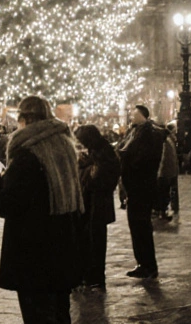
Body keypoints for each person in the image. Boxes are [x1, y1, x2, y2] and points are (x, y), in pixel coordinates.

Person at [0, 96, 83, 324]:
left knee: (37, 314)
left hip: (33, 250)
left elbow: (9, 204)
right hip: (62, 242)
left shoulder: (27, 153)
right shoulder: (64, 145)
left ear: (25, 120)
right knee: (59, 311)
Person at [119, 104, 163, 278]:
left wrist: (126, 159)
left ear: (142, 115)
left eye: (134, 113)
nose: (131, 115)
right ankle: (142, 262)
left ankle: (148, 265)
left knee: (141, 225)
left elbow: (144, 159)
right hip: (134, 185)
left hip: (142, 186)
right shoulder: (134, 131)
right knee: (135, 225)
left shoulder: (150, 134)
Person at [75, 124, 120, 291]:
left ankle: (95, 278)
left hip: (98, 204)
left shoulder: (104, 153)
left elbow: (97, 178)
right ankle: (88, 275)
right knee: (88, 240)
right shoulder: (97, 151)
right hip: (91, 203)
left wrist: (85, 168)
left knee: (96, 242)